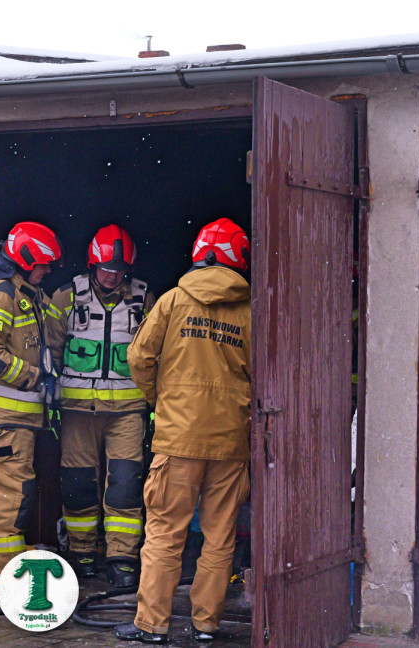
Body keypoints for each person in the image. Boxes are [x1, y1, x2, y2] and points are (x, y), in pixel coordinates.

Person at [115, 218, 252, 644]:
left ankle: (151, 625)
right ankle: (206, 624)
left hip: (178, 438)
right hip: (231, 439)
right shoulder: (250, 311)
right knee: (218, 536)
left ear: (200, 255)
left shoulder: (174, 301)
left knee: (165, 532)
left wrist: (163, 400)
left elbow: (139, 358)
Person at [46, 224, 155, 588]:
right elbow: (50, 352)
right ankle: (83, 553)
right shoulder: (66, 298)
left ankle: (121, 557)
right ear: (93, 265)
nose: (112, 276)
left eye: (120, 270)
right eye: (106, 269)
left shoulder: (144, 301)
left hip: (127, 413)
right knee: (78, 485)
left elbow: (159, 355)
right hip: (77, 412)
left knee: (125, 485)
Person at [0, 221, 64, 582]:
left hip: (10, 416)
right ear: (25, 258)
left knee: (1, 486)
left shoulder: (28, 294)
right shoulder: (0, 294)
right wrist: (36, 378)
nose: (47, 270)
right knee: (16, 491)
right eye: (43, 264)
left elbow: (50, 325)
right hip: (4, 417)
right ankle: (7, 573)